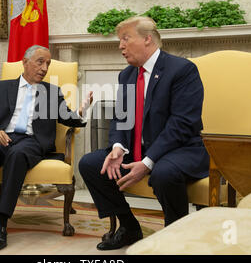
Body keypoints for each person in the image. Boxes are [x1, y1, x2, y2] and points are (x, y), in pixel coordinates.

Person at [79, 16, 209, 250]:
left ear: (148, 39)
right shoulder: (127, 75)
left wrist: (148, 162)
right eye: (120, 40)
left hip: (180, 149)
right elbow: (121, 118)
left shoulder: (182, 70)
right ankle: (129, 227)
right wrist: (118, 148)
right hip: (139, 149)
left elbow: (181, 123)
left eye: (126, 38)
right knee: (91, 163)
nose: (120, 45)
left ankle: (175, 236)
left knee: (164, 173)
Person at [0, 45, 93, 250]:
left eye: (48, 64)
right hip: (3, 135)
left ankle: (1, 222)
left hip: (32, 141)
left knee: (17, 154)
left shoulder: (52, 92)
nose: (44, 68)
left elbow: (67, 117)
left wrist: (82, 110)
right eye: (40, 62)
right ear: (25, 62)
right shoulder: (2, 87)